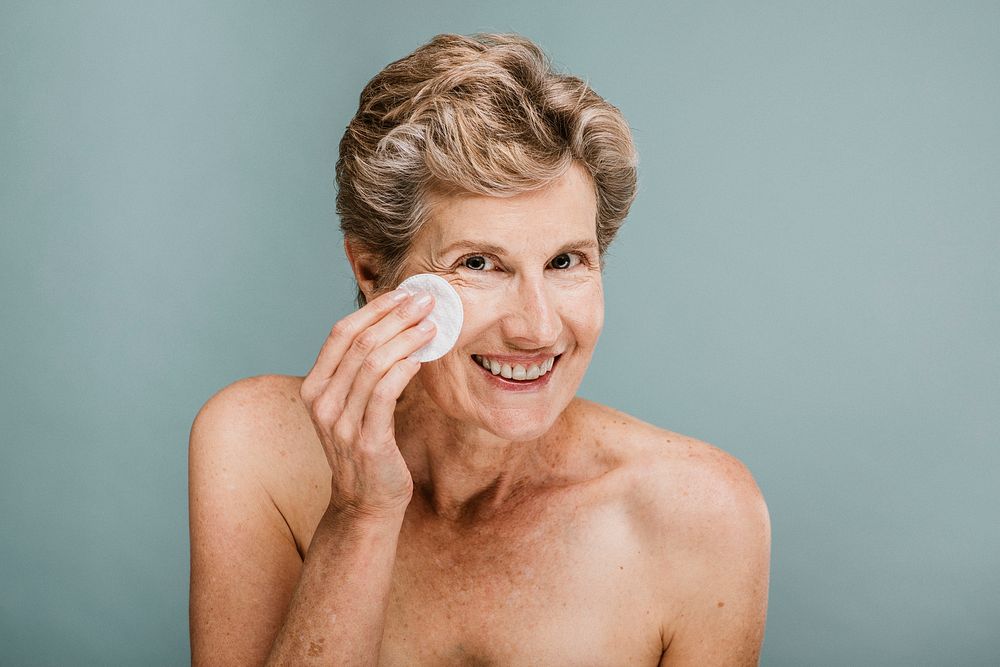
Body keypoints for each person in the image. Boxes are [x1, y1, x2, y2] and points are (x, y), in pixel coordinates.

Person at [188, 32, 770, 666]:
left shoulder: (701, 515)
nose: (538, 329)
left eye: (566, 261)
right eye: (480, 263)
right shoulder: (256, 448)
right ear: (371, 270)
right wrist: (361, 514)